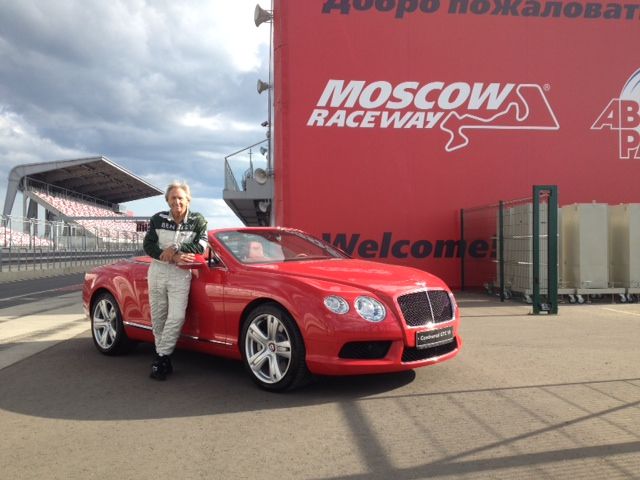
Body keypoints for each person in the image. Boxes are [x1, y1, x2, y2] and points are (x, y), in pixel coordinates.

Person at [143, 181, 208, 381]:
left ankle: (161, 355)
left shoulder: (198, 220)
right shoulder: (157, 219)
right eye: (173, 198)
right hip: (157, 271)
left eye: (180, 198)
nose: (177, 202)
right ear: (167, 201)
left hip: (181, 274)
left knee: (177, 316)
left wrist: (177, 250)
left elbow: (202, 245)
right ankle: (163, 359)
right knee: (159, 317)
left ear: (188, 200)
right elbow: (148, 244)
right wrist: (167, 255)